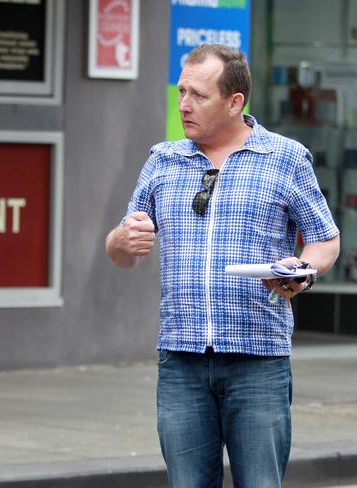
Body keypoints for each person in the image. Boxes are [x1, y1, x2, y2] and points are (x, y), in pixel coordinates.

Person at [105, 44, 340, 487]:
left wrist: (301, 271)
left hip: (258, 361)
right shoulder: (163, 160)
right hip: (181, 360)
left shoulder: (286, 158)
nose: (184, 105)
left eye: (198, 95)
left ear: (235, 102)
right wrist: (121, 240)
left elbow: (326, 239)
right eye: (180, 92)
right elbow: (120, 251)